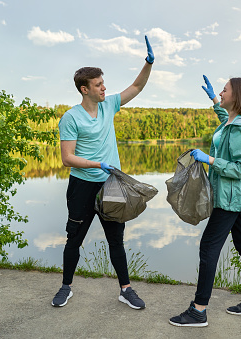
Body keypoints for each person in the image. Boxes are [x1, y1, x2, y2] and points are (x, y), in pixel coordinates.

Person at [51, 36, 154, 309]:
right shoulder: (71, 118)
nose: (104, 88)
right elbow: (67, 158)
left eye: (103, 83)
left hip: (111, 187)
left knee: (116, 240)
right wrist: (98, 164)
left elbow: (136, 87)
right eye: (98, 85)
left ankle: (126, 289)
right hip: (83, 188)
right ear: (85, 89)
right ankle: (66, 287)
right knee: (74, 239)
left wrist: (148, 63)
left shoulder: (109, 106)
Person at [169, 75, 241, 327]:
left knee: (208, 248)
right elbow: (226, 124)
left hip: (228, 199)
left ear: (237, 96)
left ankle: (198, 310)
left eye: (224, 90)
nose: (221, 93)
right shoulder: (232, 122)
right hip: (234, 197)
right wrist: (213, 99)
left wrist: (209, 160)